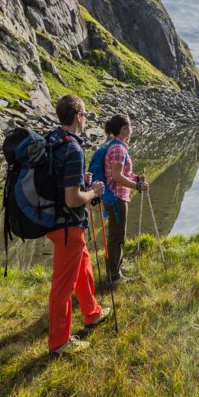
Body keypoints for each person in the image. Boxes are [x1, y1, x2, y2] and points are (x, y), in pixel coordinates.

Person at [46, 94, 110, 356]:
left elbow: (60, 181)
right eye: (85, 114)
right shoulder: (73, 149)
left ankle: (92, 312)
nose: (86, 119)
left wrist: (80, 180)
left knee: (83, 266)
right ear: (77, 116)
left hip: (56, 221)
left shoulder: (55, 140)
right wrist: (93, 192)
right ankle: (59, 343)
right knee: (63, 284)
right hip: (67, 225)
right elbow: (73, 200)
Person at [103, 113, 149, 284]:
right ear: (123, 129)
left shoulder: (119, 146)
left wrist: (136, 178)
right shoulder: (117, 149)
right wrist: (136, 186)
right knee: (117, 235)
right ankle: (114, 276)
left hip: (119, 196)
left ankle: (117, 266)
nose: (131, 128)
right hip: (117, 198)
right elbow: (116, 176)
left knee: (118, 233)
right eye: (129, 126)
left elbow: (125, 174)